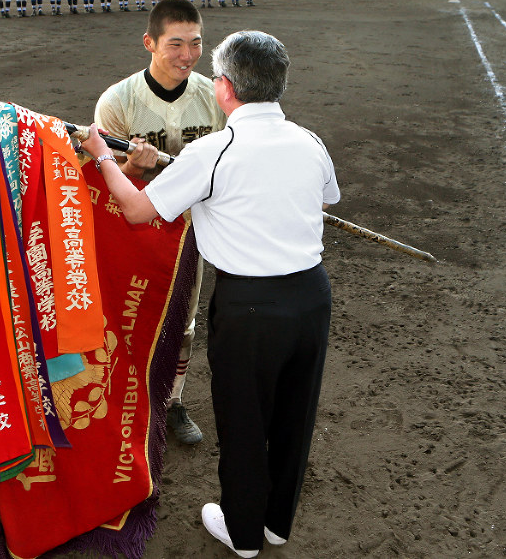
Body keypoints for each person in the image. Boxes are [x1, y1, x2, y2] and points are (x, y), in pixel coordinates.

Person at [82, 29, 340, 558]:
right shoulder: (310, 141)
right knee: (296, 413)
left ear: (225, 88)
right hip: (312, 297)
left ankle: (244, 534)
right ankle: (275, 525)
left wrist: (102, 155)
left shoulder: (214, 150)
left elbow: (136, 210)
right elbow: (326, 197)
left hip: (249, 306)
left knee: (244, 418)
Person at [94, 0, 226, 445]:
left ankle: (171, 401)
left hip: (191, 230)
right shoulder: (118, 100)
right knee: (127, 318)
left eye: (195, 44)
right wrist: (133, 168)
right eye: (175, 44)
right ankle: (126, 402)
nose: (187, 55)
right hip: (133, 229)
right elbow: (102, 178)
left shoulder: (213, 97)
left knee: (183, 319)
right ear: (149, 43)